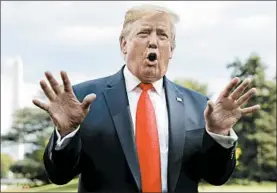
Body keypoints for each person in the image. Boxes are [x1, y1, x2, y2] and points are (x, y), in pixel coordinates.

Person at [33, 4, 260, 193]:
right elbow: (59, 176)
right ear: (124, 44)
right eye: (144, 33)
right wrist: (66, 133)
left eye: (162, 35)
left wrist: (219, 135)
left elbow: (216, 176)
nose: (154, 42)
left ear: (171, 49)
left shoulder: (200, 106)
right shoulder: (84, 100)